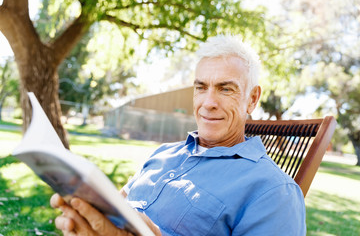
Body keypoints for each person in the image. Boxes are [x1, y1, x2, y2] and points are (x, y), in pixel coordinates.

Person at [51, 35, 306, 236]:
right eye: (201, 87)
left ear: (252, 99)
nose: (208, 103)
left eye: (225, 89)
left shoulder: (273, 191)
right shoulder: (163, 153)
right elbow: (116, 206)